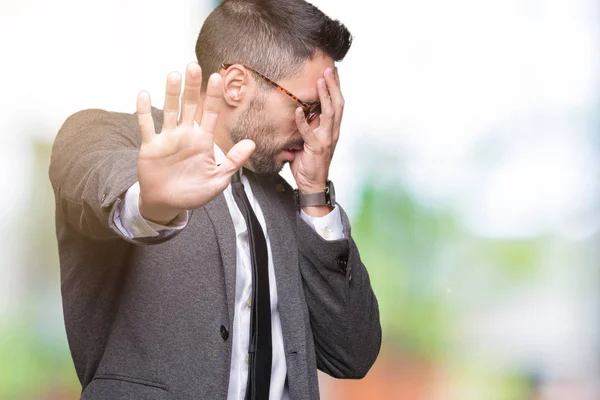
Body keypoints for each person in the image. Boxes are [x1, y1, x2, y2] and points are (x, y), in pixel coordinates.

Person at [49, 0, 381, 398]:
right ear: (237, 85)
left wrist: (314, 194)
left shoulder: (288, 203)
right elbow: (95, 180)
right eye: (308, 107)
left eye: (323, 113)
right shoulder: (111, 139)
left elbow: (353, 354)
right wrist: (153, 204)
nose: (316, 129)